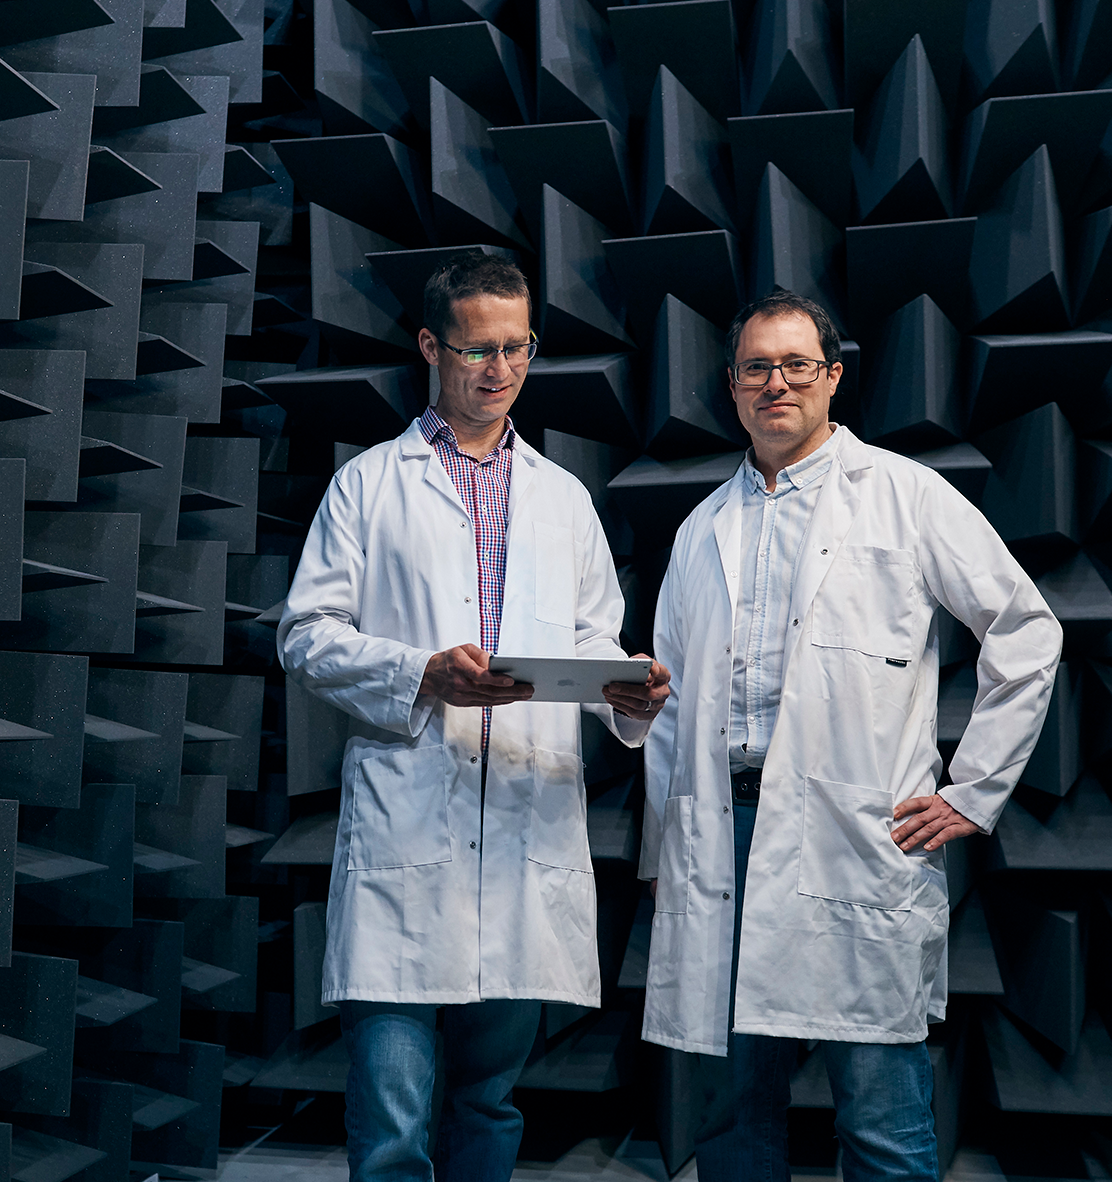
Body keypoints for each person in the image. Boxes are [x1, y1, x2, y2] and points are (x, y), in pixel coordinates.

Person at [639, 289, 1061, 1181]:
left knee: (880, 1122)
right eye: (757, 368)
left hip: (859, 838)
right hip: (723, 834)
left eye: (797, 365)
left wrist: (973, 792)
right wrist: (660, 852)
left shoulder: (905, 496)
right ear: (731, 386)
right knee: (731, 1121)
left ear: (833, 378)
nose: (776, 383)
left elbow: (1028, 631)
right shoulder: (700, 528)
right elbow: (671, 708)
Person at [278, 250, 669, 1182]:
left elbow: (588, 636)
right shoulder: (370, 485)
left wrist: (627, 685)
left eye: (518, 347)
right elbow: (306, 636)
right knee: (394, 1136)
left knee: (488, 1111)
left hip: (524, 835)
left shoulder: (563, 497)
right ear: (430, 345)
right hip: (407, 834)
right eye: (477, 349)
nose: (500, 370)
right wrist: (421, 673)